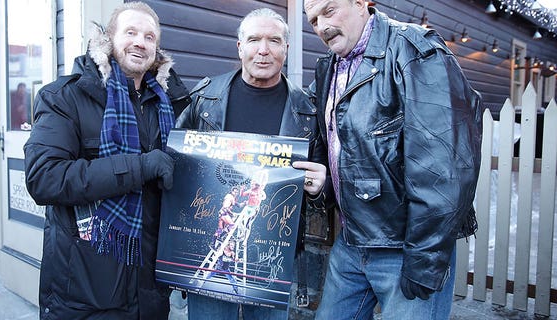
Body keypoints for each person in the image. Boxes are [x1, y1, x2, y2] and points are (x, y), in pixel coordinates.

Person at [303, 0, 482, 319]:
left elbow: (445, 168)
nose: (322, 26)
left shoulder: (415, 51)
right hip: (351, 242)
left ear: (361, 3)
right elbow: (346, 150)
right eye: (314, 19)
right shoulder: (328, 66)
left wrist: (424, 260)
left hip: (406, 247)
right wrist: (326, 183)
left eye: (329, 11)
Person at [24, 2, 190, 319]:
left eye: (150, 36)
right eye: (131, 32)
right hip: (86, 288)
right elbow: (44, 178)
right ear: (108, 39)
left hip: (151, 287)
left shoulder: (172, 105)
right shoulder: (64, 97)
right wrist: (140, 167)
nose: (140, 42)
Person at [176, 7, 328, 320]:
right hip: (211, 252)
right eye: (254, 39)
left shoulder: (307, 111)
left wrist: (318, 189)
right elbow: (177, 170)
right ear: (240, 47)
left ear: (285, 49)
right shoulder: (205, 98)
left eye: (274, 40)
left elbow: (321, 188)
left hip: (273, 261)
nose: (263, 50)